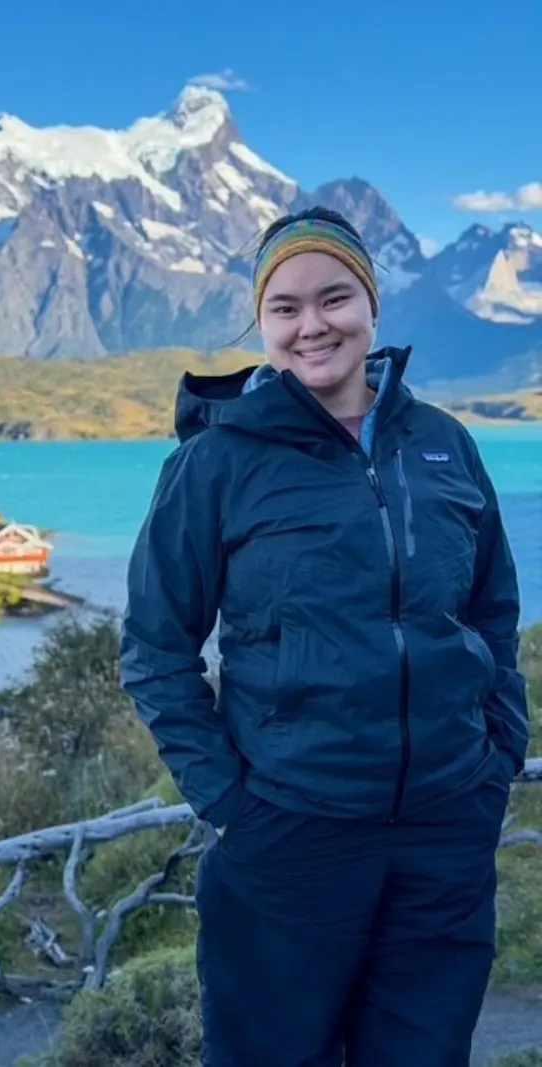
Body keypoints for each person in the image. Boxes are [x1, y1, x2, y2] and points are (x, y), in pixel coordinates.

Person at [119, 206, 529, 1067]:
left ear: (372, 306)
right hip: (289, 835)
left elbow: (491, 612)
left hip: (444, 829)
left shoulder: (445, 445)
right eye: (285, 307)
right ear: (262, 323)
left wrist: (494, 761)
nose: (313, 325)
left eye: (334, 297)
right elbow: (156, 648)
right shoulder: (216, 462)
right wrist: (233, 807)